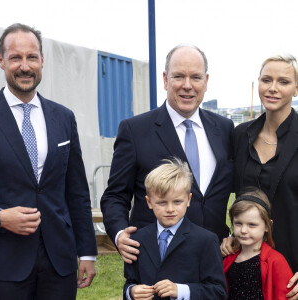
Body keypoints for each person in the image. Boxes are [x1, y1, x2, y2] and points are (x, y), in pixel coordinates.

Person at [101, 44, 234, 264]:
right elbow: (115, 196)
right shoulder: (135, 130)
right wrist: (119, 234)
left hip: (215, 260)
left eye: (196, 77)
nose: (187, 86)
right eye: (179, 76)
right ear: (165, 79)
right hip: (156, 260)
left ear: (206, 81)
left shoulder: (225, 128)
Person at [0, 23, 97, 299]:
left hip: (59, 264)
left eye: (31, 57)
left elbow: (76, 191)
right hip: (5, 264)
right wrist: (0, 217)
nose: (25, 66)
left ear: (42, 60)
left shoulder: (63, 118)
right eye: (16, 58)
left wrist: (87, 252)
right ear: (1, 61)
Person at [220, 54, 298, 299]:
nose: (273, 88)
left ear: (296, 88)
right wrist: (230, 234)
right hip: (246, 263)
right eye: (266, 80)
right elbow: (233, 196)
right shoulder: (241, 135)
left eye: (283, 82)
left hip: (291, 269)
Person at [123, 158, 227, 300]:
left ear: (189, 199)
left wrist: (181, 290)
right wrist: (131, 292)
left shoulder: (206, 240)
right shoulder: (137, 240)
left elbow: (218, 292)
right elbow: (130, 281)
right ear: (149, 202)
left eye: (177, 202)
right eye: (162, 203)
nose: (170, 209)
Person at [223, 187, 293, 299]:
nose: (243, 230)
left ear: (267, 226)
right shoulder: (227, 259)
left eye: (252, 225)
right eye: (238, 223)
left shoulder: (276, 261)